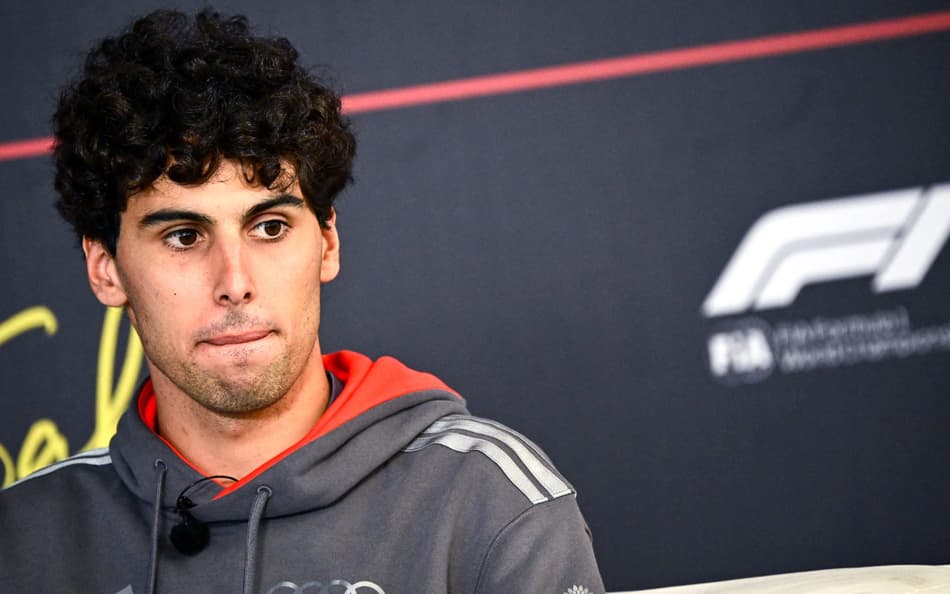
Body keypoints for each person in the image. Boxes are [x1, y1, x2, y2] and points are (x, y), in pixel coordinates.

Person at [0, 8, 604, 594]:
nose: (234, 281)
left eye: (269, 227)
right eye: (184, 237)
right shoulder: (24, 538)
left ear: (328, 243)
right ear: (106, 270)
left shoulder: (487, 501)